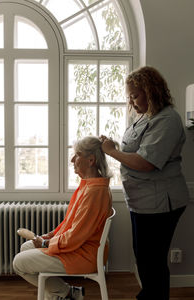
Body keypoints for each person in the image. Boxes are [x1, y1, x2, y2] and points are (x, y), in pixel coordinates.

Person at [100, 66, 189, 300]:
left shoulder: (168, 119)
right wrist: (115, 147)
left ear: (152, 91)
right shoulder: (143, 116)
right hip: (141, 201)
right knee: (143, 255)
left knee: (153, 260)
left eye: (135, 95)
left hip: (160, 202)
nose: (131, 100)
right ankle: (149, 295)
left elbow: (146, 162)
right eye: (129, 95)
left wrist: (111, 152)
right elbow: (135, 151)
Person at [13, 136, 112, 300]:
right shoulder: (88, 186)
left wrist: (46, 244)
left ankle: (64, 293)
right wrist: (49, 236)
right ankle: (66, 293)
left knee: (18, 262)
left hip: (84, 254)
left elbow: (75, 236)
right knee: (26, 248)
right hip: (78, 247)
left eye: (77, 155)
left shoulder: (95, 192)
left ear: (91, 160)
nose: (72, 159)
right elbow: (68, 224)